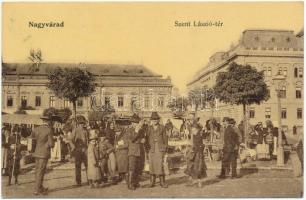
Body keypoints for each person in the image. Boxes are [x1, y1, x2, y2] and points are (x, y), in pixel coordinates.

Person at [32, 115, 55, 195]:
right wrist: (50, 143)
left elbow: (33, 141)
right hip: (44, 153)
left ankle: (39, 187)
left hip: (37, 152)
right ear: (48, 121)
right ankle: (37, 189)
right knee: (41, 171)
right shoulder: (49, 130)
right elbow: (51, 144)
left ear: (42, 121)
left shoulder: (36, 129)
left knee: (37, 171)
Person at [147, 112, 168, 188]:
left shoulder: (162, 127)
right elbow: (146, 139)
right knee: (152, 165)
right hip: (151, 148)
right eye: (153, 119)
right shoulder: (149, 128)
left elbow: (165, 139)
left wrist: (165, 149)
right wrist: (147, 149)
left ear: (158, 120)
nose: (155, 120)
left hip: (160, 148)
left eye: (156, 119)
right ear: (151, 120)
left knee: (160, 164)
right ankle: (152, 182)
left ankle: (162, 182)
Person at [184, 123, 207, 188]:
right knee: (190, 167)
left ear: (197, 129)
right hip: (193, 154)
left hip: (198, 154)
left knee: (198, 168)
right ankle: (191, 181)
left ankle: (200, 183)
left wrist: (194, 149)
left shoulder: (199, 136)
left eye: (194, 130)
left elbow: (200, 145)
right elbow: (191, 143)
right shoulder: (194, 135)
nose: (193, 131)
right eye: (192, 130)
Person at [69, 117, 89, 187]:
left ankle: (89, 179)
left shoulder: (86, 131)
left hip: (85, 150)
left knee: (87, 165)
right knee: (78, 166)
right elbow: (70, 139)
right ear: (78, 124)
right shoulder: (75, 130)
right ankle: (78, 181)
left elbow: (88, 140)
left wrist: (88, 147)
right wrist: (73, 147)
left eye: (83, 123)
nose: (82, 125)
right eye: (81, 123)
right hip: (78, 150)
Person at [126, 113, 144, 190]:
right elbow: (132, 139)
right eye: (135, 123)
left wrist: (143, 140)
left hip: (139, 151)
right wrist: (137, 131)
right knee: (132, 168)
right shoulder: (129, 130)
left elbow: (142, 138)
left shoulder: (141, 130)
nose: (137, 124)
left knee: (138, 168)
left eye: (137, 123)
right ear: (132, 123)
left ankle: (135, 182)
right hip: (132, 152)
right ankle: (130, 184)